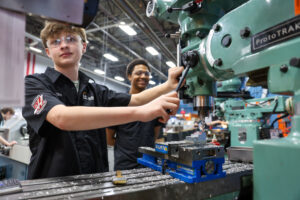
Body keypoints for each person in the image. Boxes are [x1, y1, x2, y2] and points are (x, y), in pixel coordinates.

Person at [22, 21, 183, 179]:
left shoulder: (95, 90)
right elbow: (61, 117)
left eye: (71, 39)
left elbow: (137, 99)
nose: (63, 45)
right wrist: (141, 113)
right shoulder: (34, 84)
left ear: (83, 46)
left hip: (95, 184)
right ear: (48, 52)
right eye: (55, 42)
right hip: (50, 186)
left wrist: (168, 85)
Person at [106, 59, 162, 170]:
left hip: (149, 163)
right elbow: (109, 138)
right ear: (129, 76)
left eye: (146, 74)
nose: (143, 76)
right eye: (138, 73)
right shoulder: (119, 102)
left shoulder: (155, 104)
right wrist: (127, 149)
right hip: (125, 165)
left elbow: (154, 135)